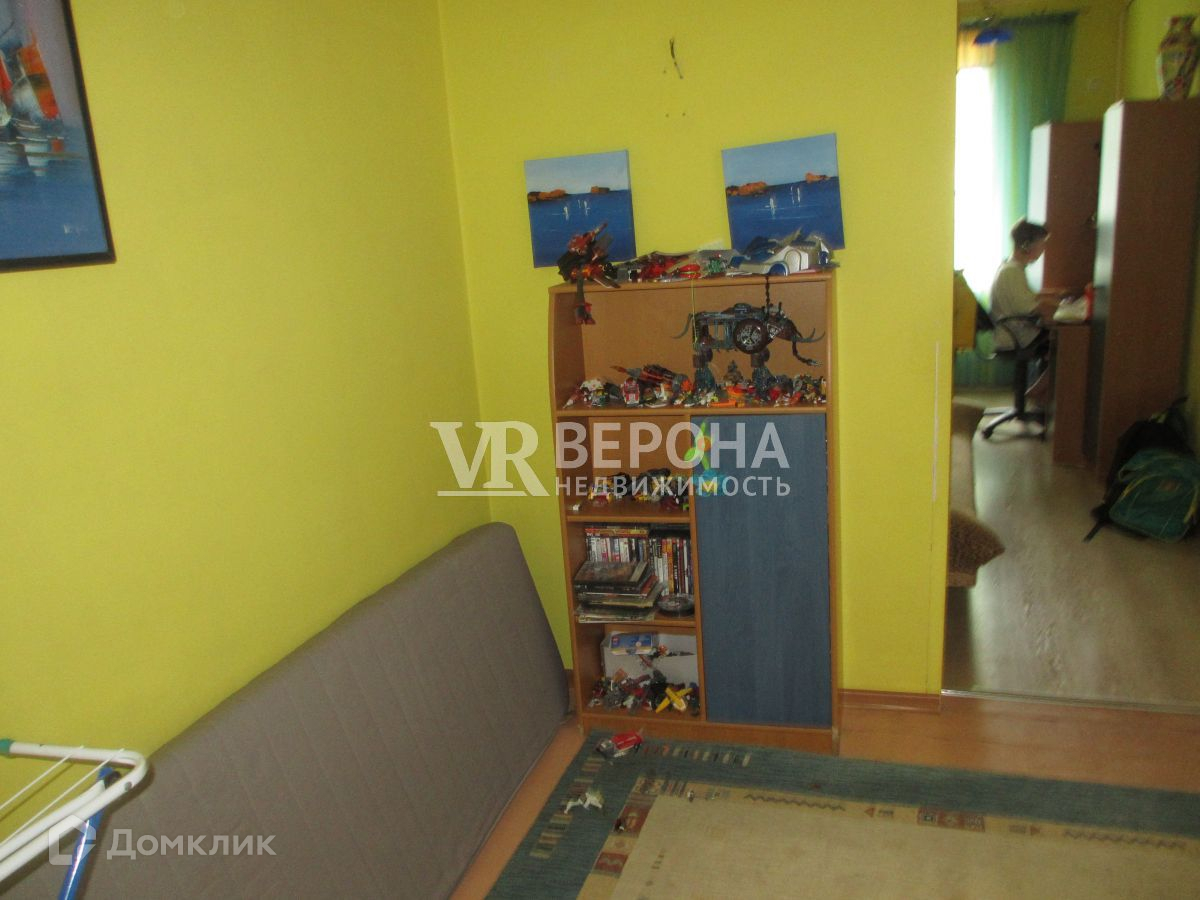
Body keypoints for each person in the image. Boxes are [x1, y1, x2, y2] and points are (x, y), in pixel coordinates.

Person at [988, 219, 1060, 401]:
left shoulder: (1012, 267)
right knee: (1065, 346)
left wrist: (1052, 295)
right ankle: (1037, 391)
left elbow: (1026, 297)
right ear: (1027, 245)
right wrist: (1060, 306)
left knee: (1060, 342)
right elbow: (1028, 307)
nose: (1043, 250)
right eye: (1042, 244)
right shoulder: (1012, 272)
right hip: (1016, 335)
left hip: (1014, 330)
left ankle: (1039, 392)